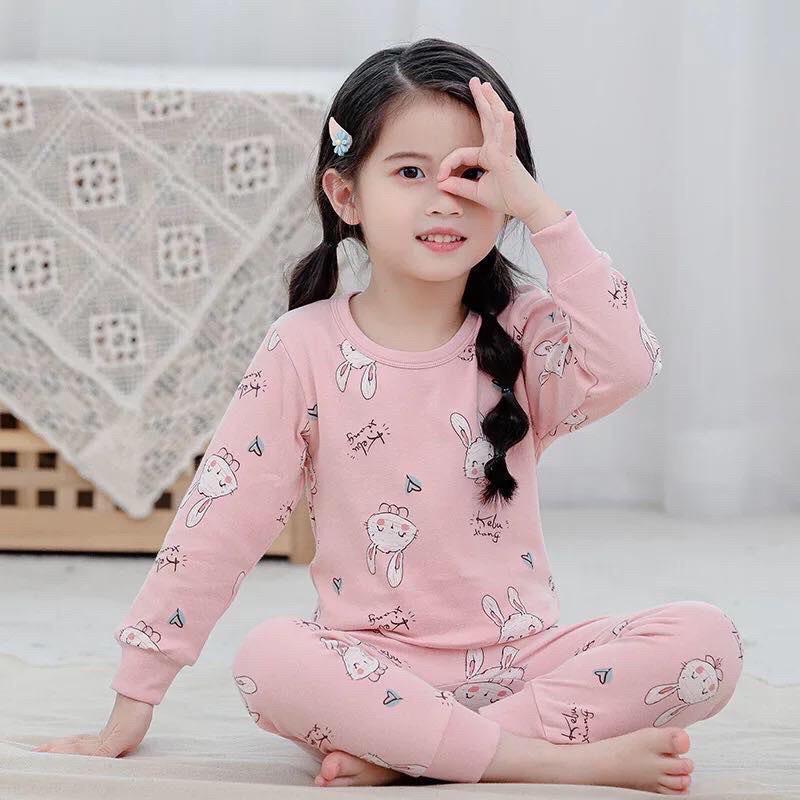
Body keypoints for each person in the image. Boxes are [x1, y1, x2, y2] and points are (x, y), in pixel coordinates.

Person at [34, 38, 744, 794]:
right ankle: (540, 759)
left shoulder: (527, 332)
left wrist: (540, 210)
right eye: (409, 173)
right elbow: (218, 524)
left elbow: (628, 362)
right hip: (372, 673)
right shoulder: (302, 347)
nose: (445, 199)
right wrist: (135, 697)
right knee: (269, 659)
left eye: (472, 174)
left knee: (709, 640)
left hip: (520, 667)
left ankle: (418, 754)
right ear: (346, 197)